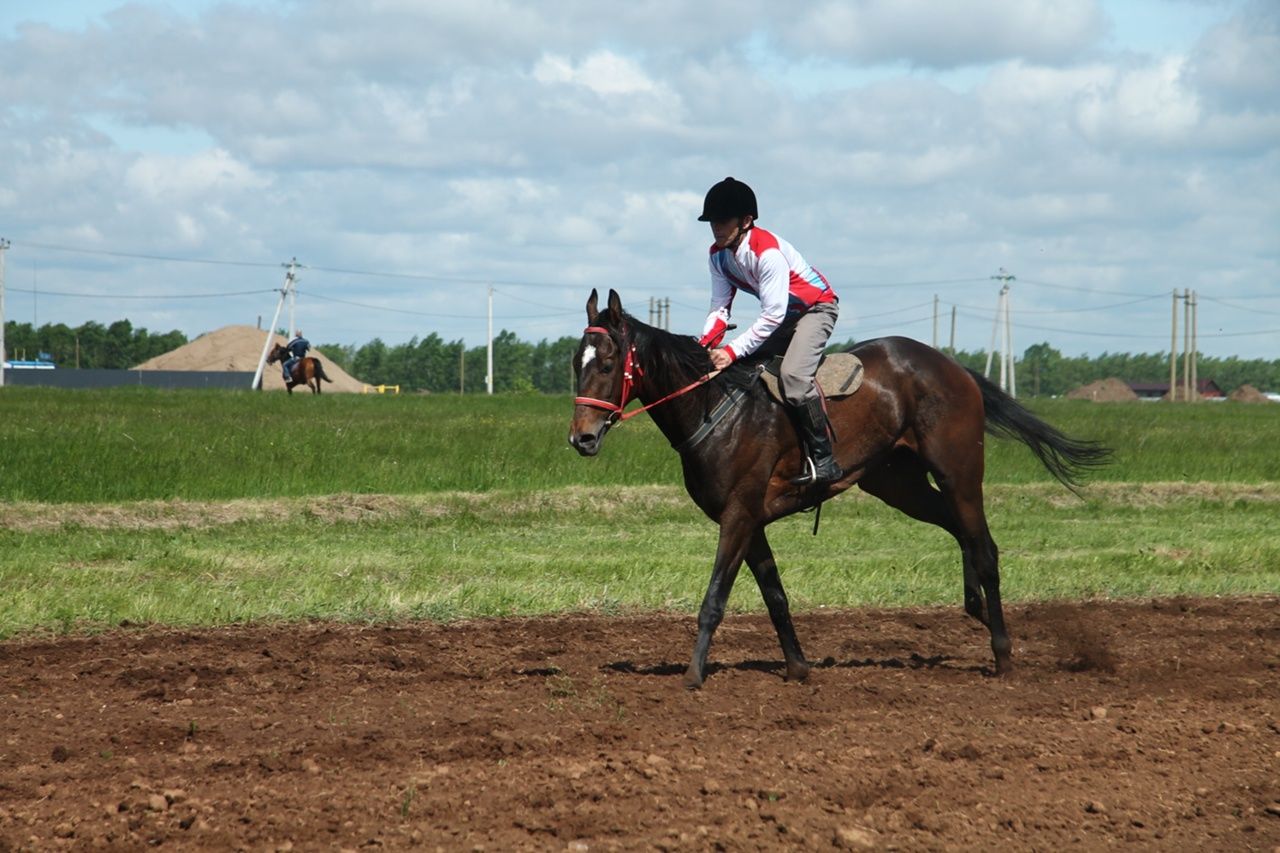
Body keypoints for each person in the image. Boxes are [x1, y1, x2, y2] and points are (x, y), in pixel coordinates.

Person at [696, 177, 843, 486]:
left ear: (746, 221)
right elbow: (720, 307)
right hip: (785, 317)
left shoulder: (767, 252)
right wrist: (705, 347)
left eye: (723, 221)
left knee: (792, 377)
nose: (716, 228)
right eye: (712, 222)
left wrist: (732, 350)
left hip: (816, 309)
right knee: (741, 370)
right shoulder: (717, 255)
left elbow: (773, 314)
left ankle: (825, 459)